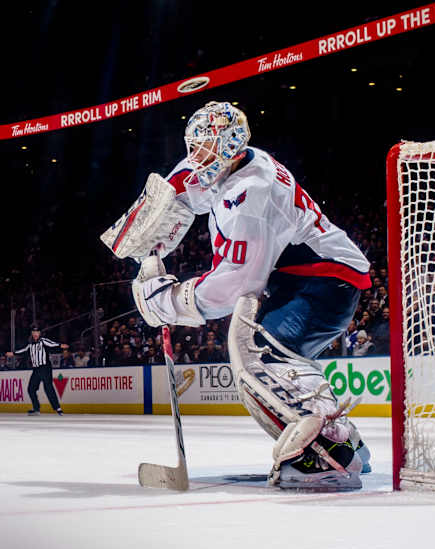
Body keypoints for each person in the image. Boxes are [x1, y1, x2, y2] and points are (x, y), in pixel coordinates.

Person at [103, 101, 372, 491]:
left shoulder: (250, 193)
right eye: (192, 147)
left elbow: (236, 283)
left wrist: (169, 300)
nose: (196, 157)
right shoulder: (237, 163)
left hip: (325, 281)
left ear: (229, 144)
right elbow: (189, 184)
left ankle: (326, 456)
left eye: (204, 147)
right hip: (309, 277)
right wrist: (160, 210)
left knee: (257, 349)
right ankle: (344, 441)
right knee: (265, 347)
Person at [6, 325, 68, 415]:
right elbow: (24, 350)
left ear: (40, 333)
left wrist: (60, 345)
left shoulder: (43, 341)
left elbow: (52, 344)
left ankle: (57, 408)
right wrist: (13, 353)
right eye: (34, 332)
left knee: (48, 388)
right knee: (31, 389)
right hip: (36, 369)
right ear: (32, 333)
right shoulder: (30, 344)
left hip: (45, 368)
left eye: (37, 332)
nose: (35, 334)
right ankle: (36, 409)